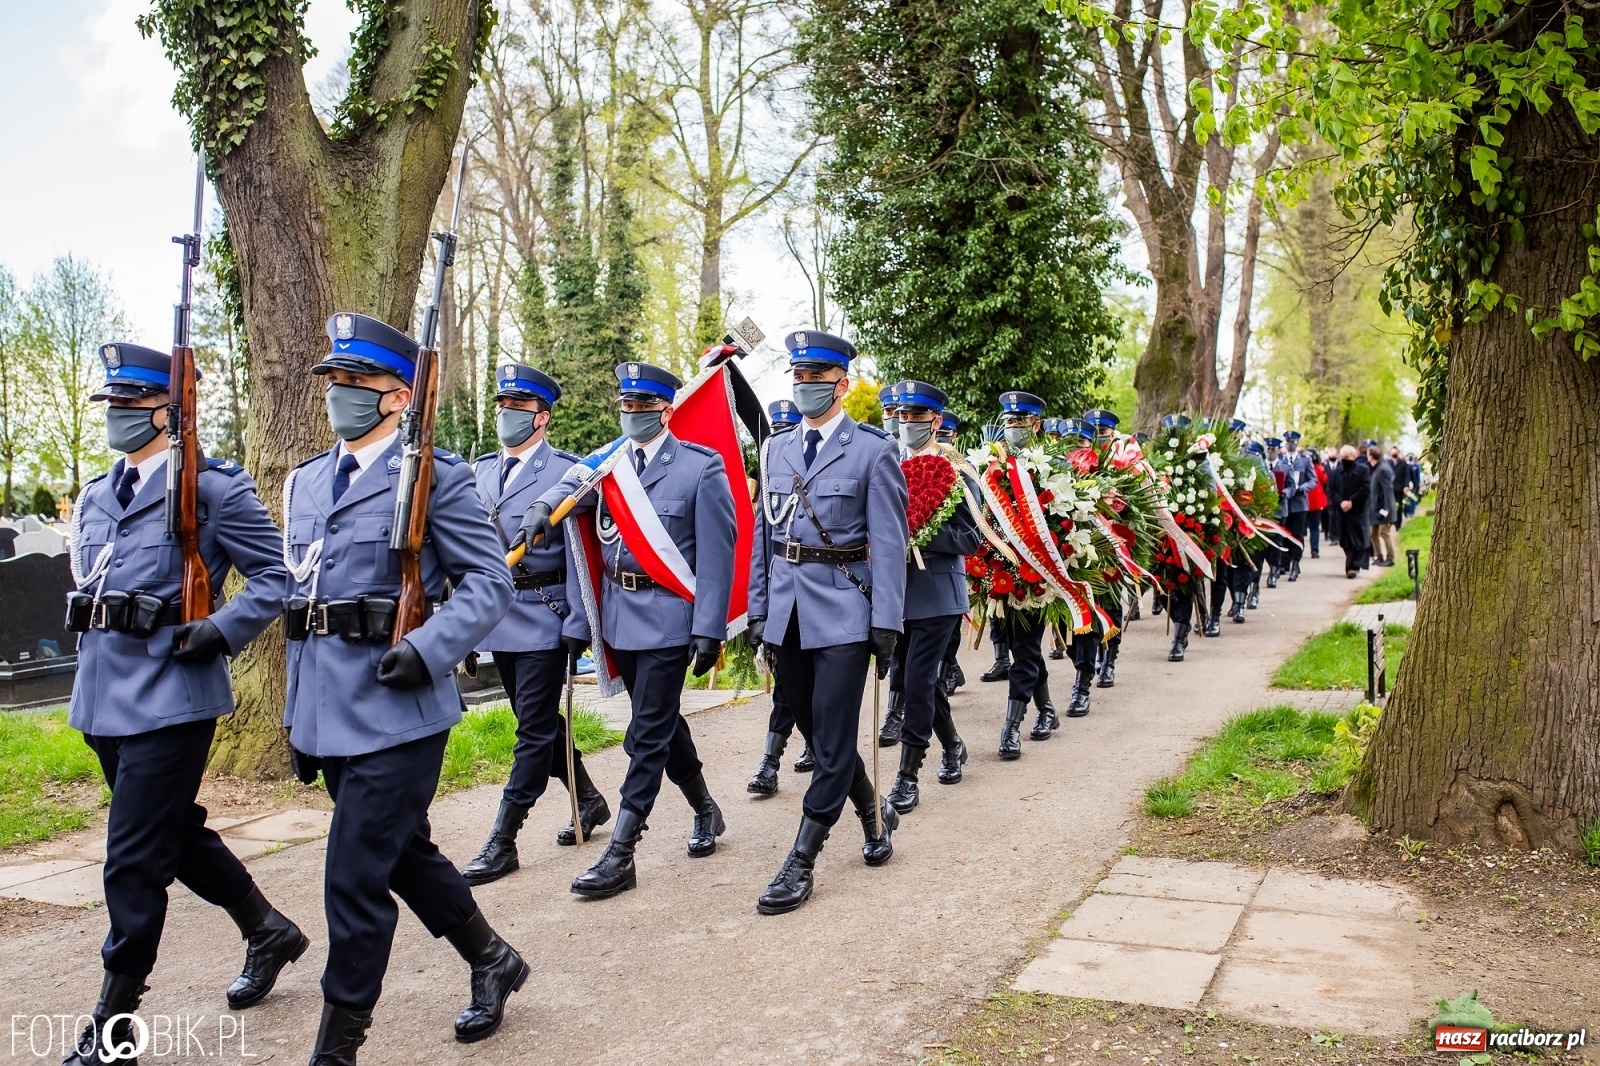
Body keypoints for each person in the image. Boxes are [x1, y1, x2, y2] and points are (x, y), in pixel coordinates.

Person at [282, 313, 524, 1060]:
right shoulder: (307, 481)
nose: (340, 394)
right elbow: (303, 604)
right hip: (328, 712)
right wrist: (296, 716)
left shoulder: (437, 477)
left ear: (398, 396)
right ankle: (492, 958)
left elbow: (489, 584)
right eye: (334, 381)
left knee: (353, 879)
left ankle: (337, 1045)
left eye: (357, 382)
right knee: (404, 856)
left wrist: (428, 648)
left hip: (401, 713)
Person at [63, 343, 304, 1065]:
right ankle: (268, 930)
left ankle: (114, 1024)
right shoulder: (98, 493)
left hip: (172, 694)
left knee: (131, 858)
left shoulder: (213, 490)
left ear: (171, 412)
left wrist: (217, 633)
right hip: (104, 695)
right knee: (171, 833)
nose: (118, 419)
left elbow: (276, 576)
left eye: (132, 406)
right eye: (112, 406)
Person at [522, 360, 736, 899]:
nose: (633, 413)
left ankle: (622, 849)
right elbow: (572, 490)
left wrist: (709, 629)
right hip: (619, 616)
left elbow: (717, 556)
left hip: (668, 619)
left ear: (666, 409)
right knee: (659, 723)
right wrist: (543, 508)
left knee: (645, 735)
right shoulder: (610, 466)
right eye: (626, 405)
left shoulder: (699, 468)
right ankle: (706, 809)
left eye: (643, 405)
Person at [747, 330, 907, 914]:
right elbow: (767, 541)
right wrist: (758, 611)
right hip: (786, 615)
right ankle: (873, 815)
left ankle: (802, 858)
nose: (806, 386)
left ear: (843, 384)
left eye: (818, 377)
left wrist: (886, 623)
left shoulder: (873, 450)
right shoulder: (777, 449)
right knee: (819, 737)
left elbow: (889, 544)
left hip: (844, 612)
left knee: (833, 743)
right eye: (799, 376)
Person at [459, 363, 610, 886]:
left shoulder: (568, 473)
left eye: (518, 409)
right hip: (497, 615)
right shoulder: (477, 471)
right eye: (502, 407)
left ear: (541, 418)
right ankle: (588, 799)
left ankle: (504, 837)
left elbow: (579, 554)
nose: (506, 416)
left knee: (532, 728)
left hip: (544, 615)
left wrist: (576, 619)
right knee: (540, 722)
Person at [883, 381, 980, 813]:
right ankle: (954, 744)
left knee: (920, 681)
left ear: (936, 421)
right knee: (909, 679)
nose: (908, 424)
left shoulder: (957, 470)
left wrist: (920, 533)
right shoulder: (889, 464)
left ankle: (907, 775)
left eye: (917, 417)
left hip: (938, 594)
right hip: (896, 595)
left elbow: (972, 535)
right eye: (902, 416)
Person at [749, 398, 807, 797]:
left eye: (791, 429)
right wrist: (758, 612)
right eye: (777, 431)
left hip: (826, 603)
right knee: (788, 685)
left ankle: (816, 747)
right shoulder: (770, 482)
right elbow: (760, 552)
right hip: (783, 604)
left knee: (814, 690)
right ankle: (770, 763)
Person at [993, 391, 1057, 749]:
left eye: (1021, 421)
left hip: (1037, 573)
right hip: (1000, 572)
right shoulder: (994, 466)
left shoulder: (1051, 464)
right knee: (1022, 649)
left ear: (1037, 424)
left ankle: (1012, 726)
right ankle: (1047, 708)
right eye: (1010, 421)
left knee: (1027, 646)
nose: (1014, 427)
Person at [1084, 408, 1128, 684]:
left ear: (1112, 434)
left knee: (1110, 602)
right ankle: (1095, 652)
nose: (1100, 438)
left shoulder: (1124, 462)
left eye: (1104, 433)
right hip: (1086, 546)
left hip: (1113, 545)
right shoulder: (1077, 459)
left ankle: (1110, 658)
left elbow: (1134, 506)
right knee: (1090, 604)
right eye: (1095, 433)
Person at [1325, 444, 1373, 577]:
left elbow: (1365, 489)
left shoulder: (1363, 471)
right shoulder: (1336, 472)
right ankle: (1352, 565)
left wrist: (1352, 501)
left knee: (1359, 540)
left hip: (1358, 511)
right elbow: (1331, 489)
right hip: (1342, 512)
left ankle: (1352, 567)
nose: (1344, 459)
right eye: (1342, 456)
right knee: (1345, 540)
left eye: (1347, 457)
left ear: (1354, 456)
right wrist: (1341, 502)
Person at [1275, 430, 1315, 581]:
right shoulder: (1280, 460)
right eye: (1288, 441)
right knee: (1284, 534)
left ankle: (1295, 563)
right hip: (1284, 503)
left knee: (1297, 535)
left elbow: (1313, 480)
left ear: (1297, 443)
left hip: (1299, 503)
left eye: (1293, 441)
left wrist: (1302, 488)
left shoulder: (1305, 460)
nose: (1290, 444)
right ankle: (1282, 564)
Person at [1367, 444, 1397, 566]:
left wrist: (1387, 508)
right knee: (1373, 533)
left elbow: (1388, 490)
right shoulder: (1376, 469)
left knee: (1383, 533)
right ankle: (1378, 556)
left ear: (1372, 456)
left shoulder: (1383, 469)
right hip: (1375, 508)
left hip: (1384, 508)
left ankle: (1390, 558)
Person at [1305, 447, 1327, 558]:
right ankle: (1314, 550)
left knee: (1300, 529)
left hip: (1305, 502)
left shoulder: (1303, 467)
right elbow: (1324, 480)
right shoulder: (1318, 468)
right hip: (1316, 502)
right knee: (1314, 528)